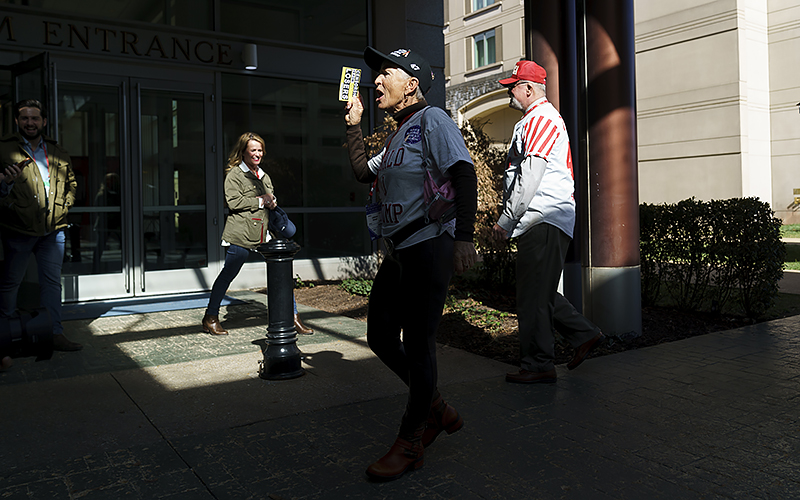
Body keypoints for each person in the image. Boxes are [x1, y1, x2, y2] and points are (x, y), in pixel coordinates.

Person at [344, 47, 478, 481]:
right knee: (381, 336)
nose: (377, 80)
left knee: (419, 345)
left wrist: (464, 238)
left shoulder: (432, 120)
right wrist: (353, 127)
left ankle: (411, 442)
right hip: (400, 251)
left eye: (386, 73)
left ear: (412, 83)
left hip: (430, 244)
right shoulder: (399, 134)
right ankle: (436, 407)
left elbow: (463, 172)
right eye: (376, 74)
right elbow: (365, 173)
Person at [492, 60, 604, 384]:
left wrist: (505, 220)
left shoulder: (540, 118)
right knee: (538, 291)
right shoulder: (535, 119)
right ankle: (583, 335)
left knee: (532, 295)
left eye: (513, 86)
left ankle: (539, 364)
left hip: (543, 217)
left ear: (528, 89)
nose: (509, 92)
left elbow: (530, 176)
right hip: (544, 217)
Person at [202, 132, 313, 336]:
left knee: (282, 274)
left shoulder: (264, 176)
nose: (257, 154)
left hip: (264, 233)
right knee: (228, 274)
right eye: (253, 150)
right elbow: (233, 203)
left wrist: (272, 202)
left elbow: (267, 201)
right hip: (241, 234)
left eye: (260, 150)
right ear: (243, 151)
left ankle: (293, 317)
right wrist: (262, 200)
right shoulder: (235, 174)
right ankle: (210, 317)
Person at [0, 99, 81, 352]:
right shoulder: (4, 149)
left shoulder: (57, 150)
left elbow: (71, 183)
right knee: (11, 283)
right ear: (17, 121)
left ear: (43, 121)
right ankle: (5, 337)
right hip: (18, 229)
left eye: (35, 118)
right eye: (25, 118)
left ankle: (55, 334)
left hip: (53, 230)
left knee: (52, 284)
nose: (30, 123)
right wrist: (5, 185)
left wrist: (65, 205)